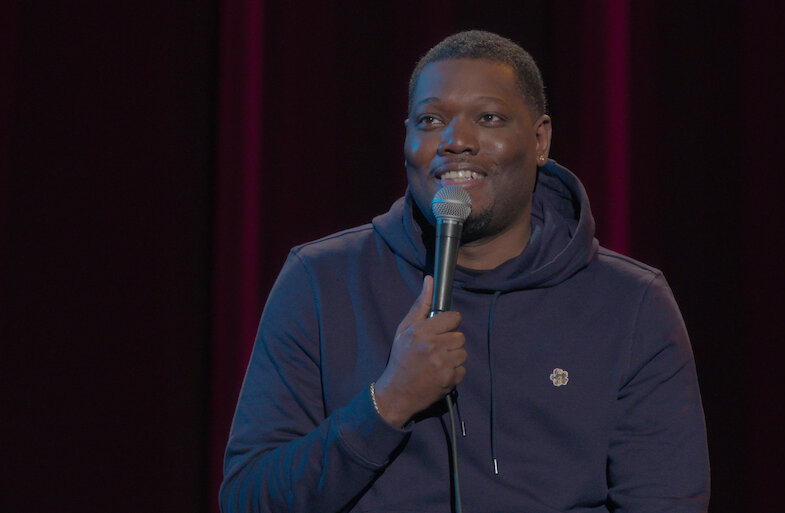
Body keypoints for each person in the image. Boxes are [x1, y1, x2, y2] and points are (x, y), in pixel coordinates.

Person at [220, 30, 709, 513]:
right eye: (431, 120)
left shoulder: (629, 302)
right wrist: (387, 404)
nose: (455, 141)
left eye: (488, 118)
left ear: (540, 140)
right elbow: (248, 498)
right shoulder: (322, 281)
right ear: (407, 138)